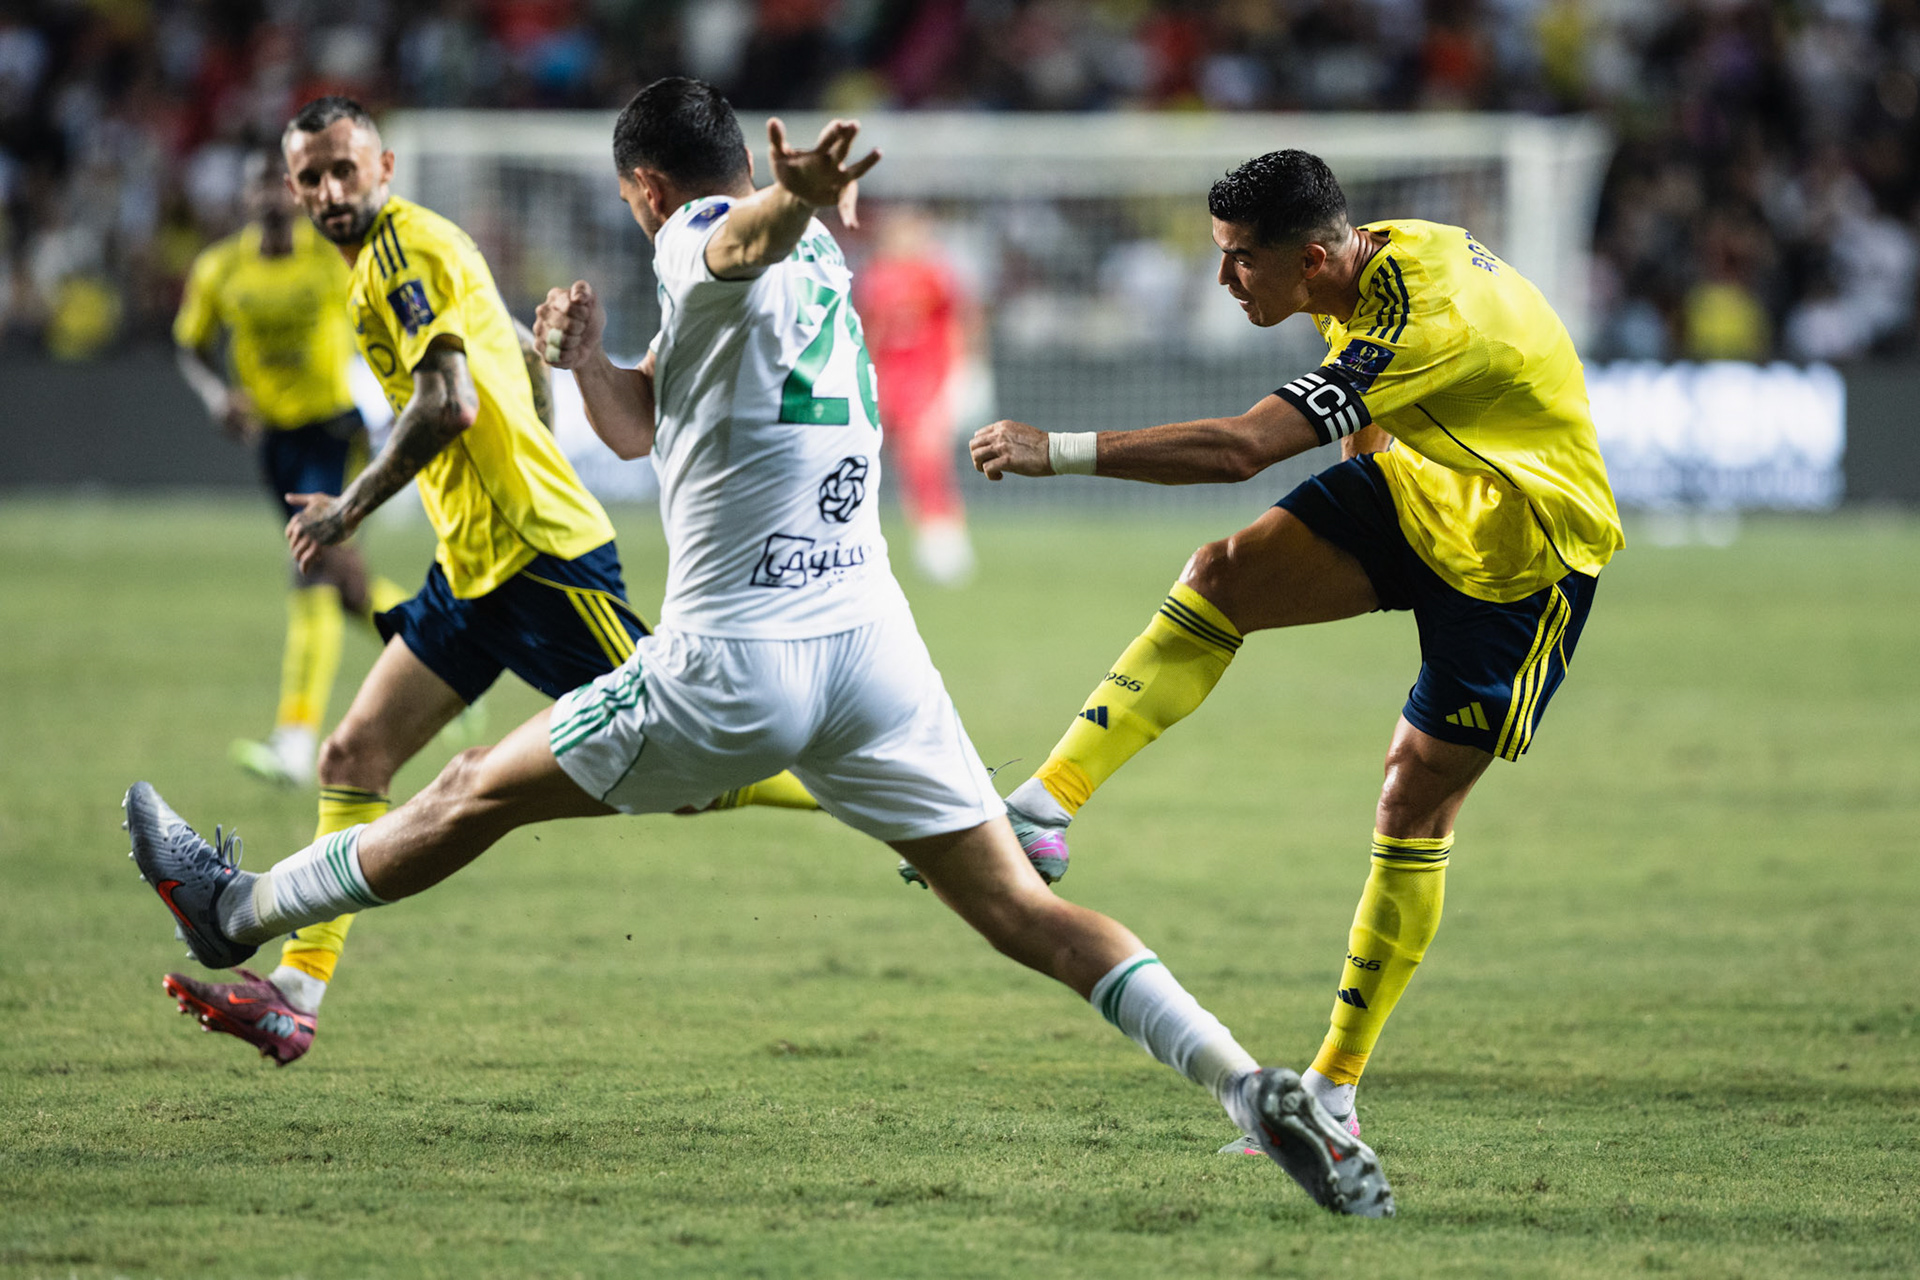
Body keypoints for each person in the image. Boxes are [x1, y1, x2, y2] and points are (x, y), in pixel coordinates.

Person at [125, 81, 1394, 1219]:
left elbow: (727, 240)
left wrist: (781, 200)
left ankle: (240, 910)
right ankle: (1248, 1084)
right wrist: (583, 362)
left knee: (463, 795)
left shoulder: (704, 233)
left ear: (646, 186)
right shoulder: (820, 275)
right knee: (1026, 910)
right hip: (874, 657)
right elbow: (640, 430)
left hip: (730, 664)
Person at [968, 149, 1624, 1146]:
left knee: (1415, 795)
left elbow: (1241, 448)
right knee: (1221, 575)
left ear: (1310, 258)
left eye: (1238, 261)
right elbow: (1370, 412)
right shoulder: (1363, 268)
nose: (1223, 279)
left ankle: (1333, 1087)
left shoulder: (1431, 315)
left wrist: (1055, 449)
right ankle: (1043, 809)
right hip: (1419, 490)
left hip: (1520, 559)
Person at [160, 95, 816, 1068]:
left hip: (540, 559)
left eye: (346, 168)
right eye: (312, 177)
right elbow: (509, 346)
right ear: (294, 190)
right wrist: (534, 436)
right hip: (474, 564)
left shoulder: (397, 256)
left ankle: (914, 810)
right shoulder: (420, 246)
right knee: (352, 755)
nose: (331, 190)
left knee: (693, 764)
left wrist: (351, 506)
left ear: (382, 165)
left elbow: (448, 401)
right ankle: (292, 993)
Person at [173, 150, 411, 788]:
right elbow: (190, 344)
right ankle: (443, 659)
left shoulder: (328, 260)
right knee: (345, 581)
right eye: (264, 188)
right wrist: (216, 396)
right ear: (247, 198)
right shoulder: (220, 269)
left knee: (312, 571)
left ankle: (296, 742)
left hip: (334, 429)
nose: (276, 199)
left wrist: (394, 400)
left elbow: (381, 320)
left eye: (287, 187)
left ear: (296, 195)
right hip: (275, 440)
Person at [854, 205, 979, 585]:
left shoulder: (934, 275)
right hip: (887, 380)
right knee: (872, 460)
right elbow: (869, 329)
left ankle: (944, 541)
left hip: (926, 378)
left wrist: (965, 369)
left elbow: (960, 320)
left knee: (926, 458)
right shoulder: (874, 277)